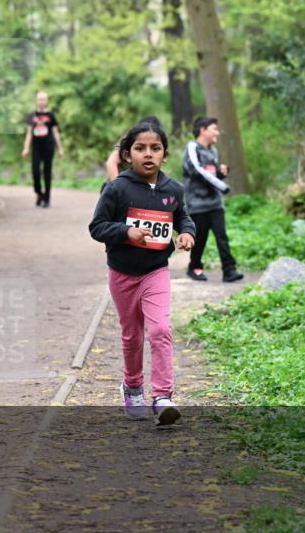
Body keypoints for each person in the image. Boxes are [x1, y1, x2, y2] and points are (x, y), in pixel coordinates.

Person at [88, 116, 195, 426]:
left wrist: (187, 233)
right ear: (127, 154)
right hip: (122, 273)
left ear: (164, 154)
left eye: (155, 148)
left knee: (161, 329)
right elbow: (97, 227)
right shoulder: (116, 189)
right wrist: (125, 232)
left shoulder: (173, 189)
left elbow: (183, 218)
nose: (148, 154)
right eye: (140, 148)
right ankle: (133, 386)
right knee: (132, 335)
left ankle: (162, 396)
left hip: (155, 271)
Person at [182, 117, 244, 283]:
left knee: (222, 237)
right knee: (200, 239)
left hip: (215, 203)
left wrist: (221, 173)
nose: (217, 132)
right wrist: (222, 185)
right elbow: (197, 170)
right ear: (203, 130)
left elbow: (211, 173)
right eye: (214, 129)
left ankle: (229, 270)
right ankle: (194, 268)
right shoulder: (192, 147)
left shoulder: (213, 151)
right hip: (198, 204)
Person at [21, 90, 64, 207]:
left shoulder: (51, 115)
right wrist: (26, 148)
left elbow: (55, 132)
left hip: (48, 147)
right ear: (36, 100)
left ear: (47, 101)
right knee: (35, 171)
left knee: (47, 172)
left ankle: (47, 198)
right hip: (36, 148)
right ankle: (39, 192)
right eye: (39, 99)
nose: (41, 101)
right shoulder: (31, 116)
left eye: (44, 99)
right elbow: (29, 133)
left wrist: (60, 148)